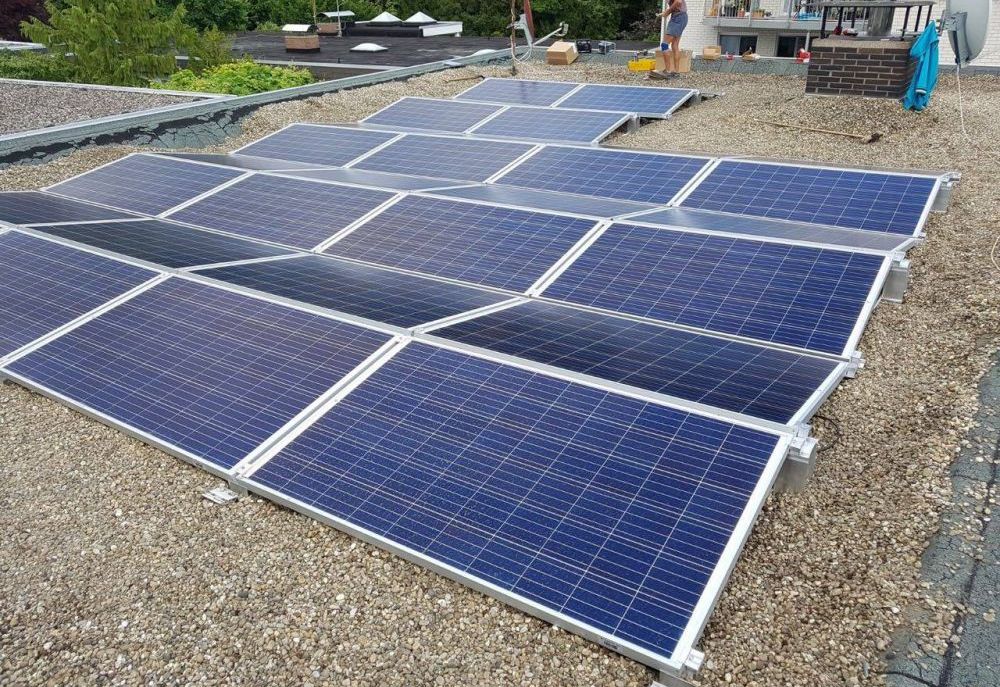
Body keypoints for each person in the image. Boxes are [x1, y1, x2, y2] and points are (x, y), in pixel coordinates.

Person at [659, 0, 688, 75]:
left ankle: (667, 71)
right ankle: (676, 72)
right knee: (675, 45)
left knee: (664, 45)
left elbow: (678, 1)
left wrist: (667, 12)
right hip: (680, 17)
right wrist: (666, 12)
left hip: (678, 17)